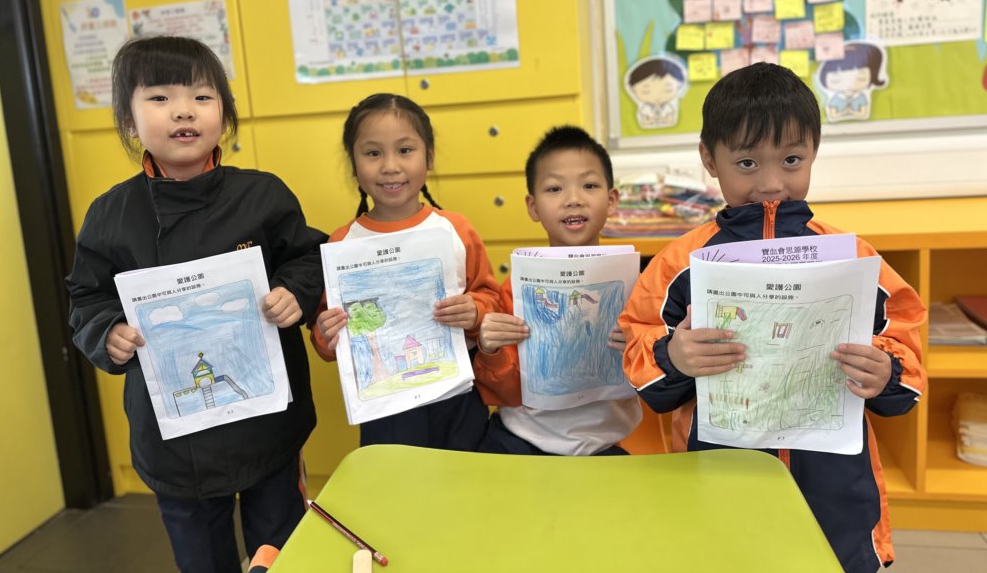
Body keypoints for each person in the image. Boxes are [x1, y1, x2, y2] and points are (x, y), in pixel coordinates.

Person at [618, 63, 926, 572]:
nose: (771, 183)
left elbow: (905, 341)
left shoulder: (850, 256)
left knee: (832, 560)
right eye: (746, 162)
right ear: (709, 159)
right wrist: (672, 357)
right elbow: (638, 345)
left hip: (835, 484)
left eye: (791, 159)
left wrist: (886, 372)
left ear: (814, 152)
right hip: (719, 475)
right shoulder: (680, 263)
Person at [66, 36, 327, 573]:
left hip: (267, 426)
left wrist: (294, 292)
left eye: (202, 97)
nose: (184, 110)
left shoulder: (263, 195)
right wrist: (108, 332)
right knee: (201, 560)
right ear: (129, 121)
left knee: (282, 553)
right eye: (160, 98)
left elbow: (307, 257)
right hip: (173, 441)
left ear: (223, 114)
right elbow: (86, 296)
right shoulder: (110, 215)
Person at [310, 93, 501, 449]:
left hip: (458, 399)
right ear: (353, 165)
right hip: (384, 410)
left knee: (467, 478)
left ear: (429, 156)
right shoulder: (342, 243)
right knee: (393, 482)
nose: (390, 166)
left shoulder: (456, 229)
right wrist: (325, 334)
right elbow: (325, 336)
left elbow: (492, 299)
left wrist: (475, 311)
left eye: (405, 150)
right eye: (373, 153)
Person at [474, 126, 644, 455]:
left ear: (611, 200)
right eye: (554, 188)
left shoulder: (636, 286)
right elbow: (505, 390)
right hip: (520, 439)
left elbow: (656, 378)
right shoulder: (518, 289)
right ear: (533, 207)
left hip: (605, 445)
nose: (573, 199)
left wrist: (641, 346)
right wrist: (490, 350)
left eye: (589, 185)